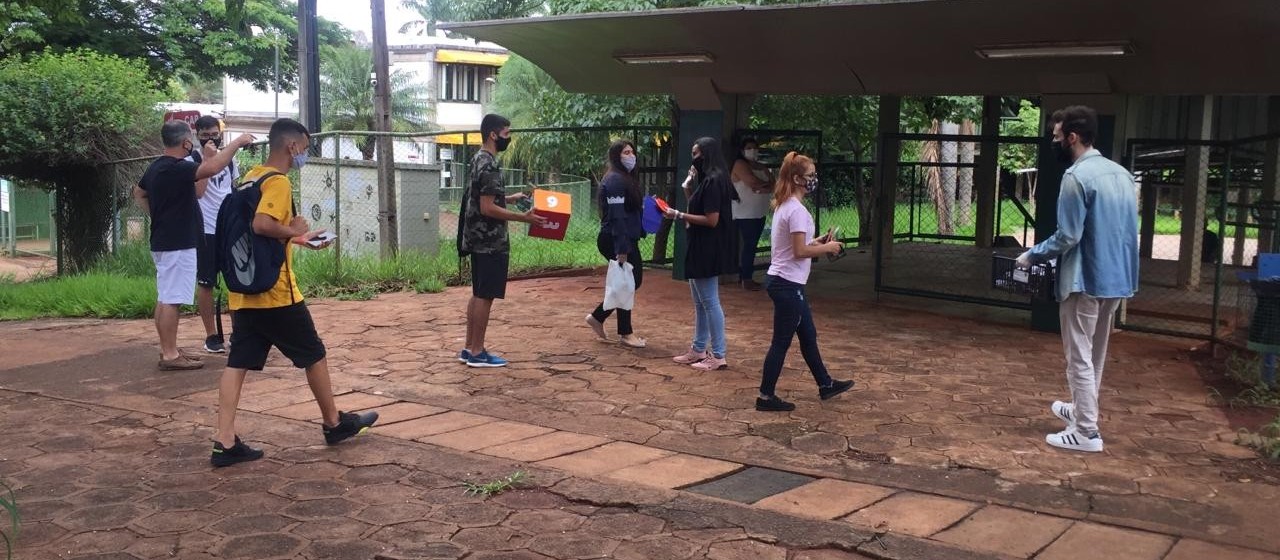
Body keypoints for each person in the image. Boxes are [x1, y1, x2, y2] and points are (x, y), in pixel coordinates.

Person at [211, 118, 378, 467]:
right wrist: (292, 229)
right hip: (276, 293)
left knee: (237, 363)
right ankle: (334, 423)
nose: (305, 152)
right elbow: (262, 224)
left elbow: (256, 231)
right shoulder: (279, 182)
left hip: (244, 292)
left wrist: (298, 238)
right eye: (304, 146)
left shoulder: (250, 177)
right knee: (313, 353)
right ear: (292, 146)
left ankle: (224, 441)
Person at [1017, 105, 1138, 453]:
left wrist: (1031, 253)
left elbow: (1067, 236)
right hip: (1116, 279)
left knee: (1078, 357)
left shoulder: (1076, 177)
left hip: (1084, 279)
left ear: (1072, 137)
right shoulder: (1121, 175)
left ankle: (1086, 431)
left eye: (1057, 137)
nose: (1054, 143)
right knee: (1095, 353)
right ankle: (1083, 411)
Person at [134, 120, 253, 371]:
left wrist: (157, 215)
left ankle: (169, 349)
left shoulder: (156, 167)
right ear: (186, 142)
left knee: (166, 296)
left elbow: (138, 192)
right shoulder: (176, 168)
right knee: (172, 299)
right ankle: (169, 354)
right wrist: (237, 142)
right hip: (178, 241)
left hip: (165, 239)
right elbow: (211, 169)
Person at [756, 152, 855, 411]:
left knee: (808, 335)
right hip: (788, 283)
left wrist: (818, 242)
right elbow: (799, 252)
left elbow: (795, 246)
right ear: (798, 178)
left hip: (785, 281)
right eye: (810, 176)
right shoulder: (796, 210)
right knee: (781, 341)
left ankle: (825, 384)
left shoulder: (785, 205)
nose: (814, 180)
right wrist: (828, 248)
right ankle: (765, 396)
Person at [457, 113, 548, 368]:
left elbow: (481, 198)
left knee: (478, 293)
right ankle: (477, 351)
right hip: (490, 241)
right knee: (485, 295)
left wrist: (508, 198)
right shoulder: (490, 165)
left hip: (476, 238)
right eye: (507, 134)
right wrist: (525, 218)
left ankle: (468, 348)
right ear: (493, 135)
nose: (509, 138)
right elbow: (487, 208)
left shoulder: (478, 159)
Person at [666, 137, 738, 371]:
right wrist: (688, 186)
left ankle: (718, 354)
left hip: (708, 247)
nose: (694, 158)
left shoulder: (715, 181)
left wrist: (678, 215)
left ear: (706, 154)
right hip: (700, 245)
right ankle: (698, 348)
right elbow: (698, 207)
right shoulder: (707, 180)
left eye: (697, 153)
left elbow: (711, 219)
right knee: (700, 302)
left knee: (709, 301)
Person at [585, 139, 647, 348]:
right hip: (615, 239)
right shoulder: (615, 181)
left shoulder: (626, 178)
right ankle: (624, 332)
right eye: (625, 153)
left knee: (628, 282)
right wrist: (622, 249)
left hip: (625, 238)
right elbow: (617, 217)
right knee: (629, 282)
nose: (630, 156)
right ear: (616, 157)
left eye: (632, 152)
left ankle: (599, 318)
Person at [189, 116, 239, 354]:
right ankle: (211, 335)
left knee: (236, 280)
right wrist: (208, 161)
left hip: (228, 227)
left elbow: (233, 189)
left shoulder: (229, 160)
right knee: (206, 282)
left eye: (214, 134)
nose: (211, 138)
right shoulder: (192, 161)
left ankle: (239, 331)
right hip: (206, 229)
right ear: (196, 135)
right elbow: (198, 193)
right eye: (205, 135)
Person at [730, 137, 774, 291]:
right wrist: (763, 186)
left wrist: (764, 187)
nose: (753, 151)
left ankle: (745, 276)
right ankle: (746, 278)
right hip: (744, 213)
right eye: (749, 148)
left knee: (753, 244)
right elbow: (752, 182)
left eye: (755, 148)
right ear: (742, 150)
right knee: (749, 245)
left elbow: (773, 183)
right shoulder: (739, 164)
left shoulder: (761, 166)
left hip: (759, 212)